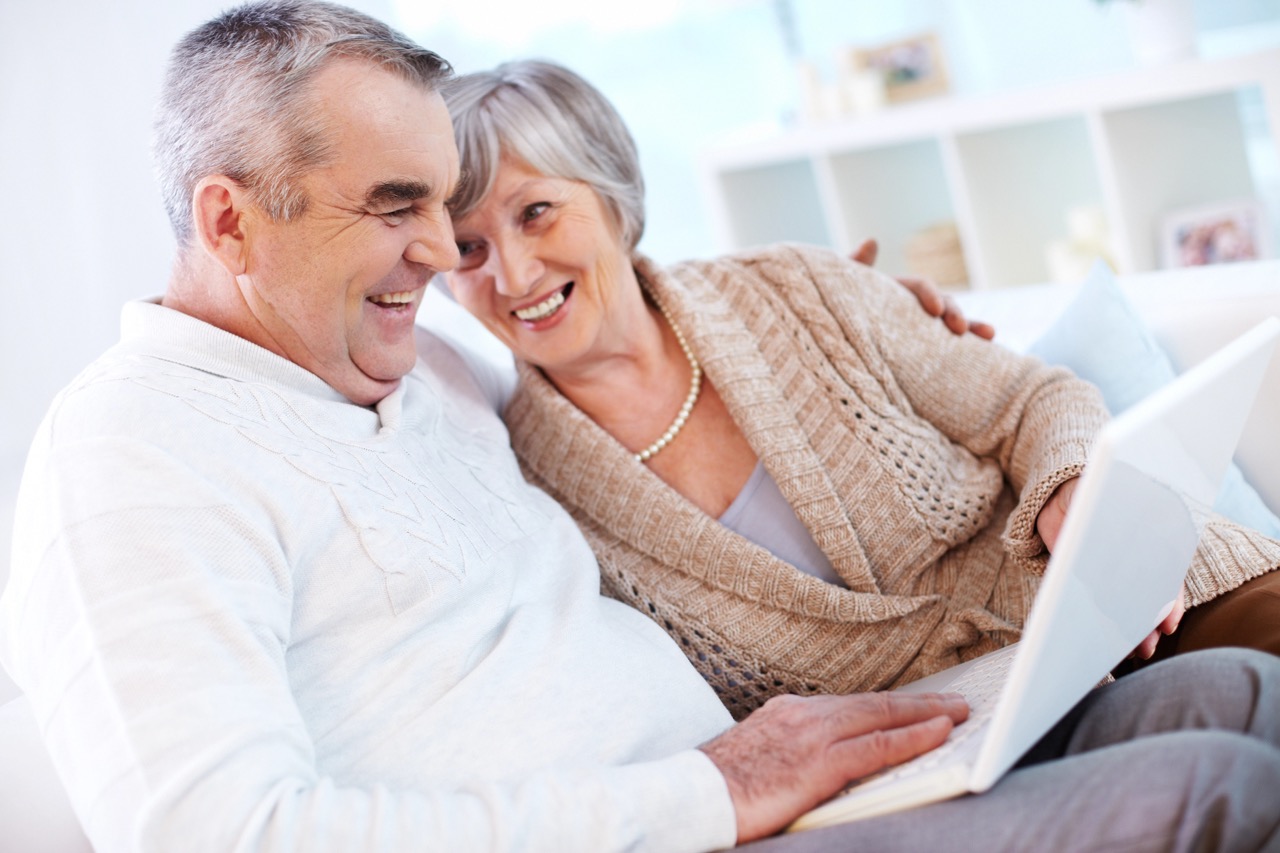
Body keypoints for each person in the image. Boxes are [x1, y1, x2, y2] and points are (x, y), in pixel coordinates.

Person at [2, 4, 1280, 852]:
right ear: (229, 222)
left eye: (451, 207)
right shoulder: (127, 461)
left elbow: (637, 343)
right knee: (1211, 787)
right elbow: (216, 833)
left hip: (777, 783)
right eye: (400, 207)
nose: (450, 255)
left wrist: (852, 303)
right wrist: (708, 788)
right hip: (705, 819)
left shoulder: (427, 367)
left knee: (1237, 690)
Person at [440, 60, 1280, 717]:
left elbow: (1031, 400)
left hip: (1121, 596)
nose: (512, 271)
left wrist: (1077, 490)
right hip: (964, 737)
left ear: (614, 199)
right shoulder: (530, 491)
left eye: (536, 212)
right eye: (468, 248)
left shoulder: (794, 287)